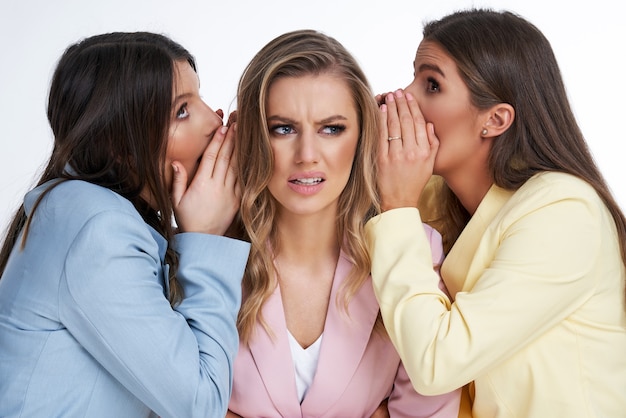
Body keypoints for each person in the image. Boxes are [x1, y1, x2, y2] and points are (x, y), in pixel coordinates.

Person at [366, 8, 626, 418]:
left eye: (431, 84)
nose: (405, 97)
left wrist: (397, 207)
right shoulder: (437, 200)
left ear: (495, 120)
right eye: (413, 76)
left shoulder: (565, 211)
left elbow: (437, 362)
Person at [0, 32, 250, 418]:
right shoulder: (96, 226)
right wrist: (207, 239)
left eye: (200, 97)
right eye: (182, 111)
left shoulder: (79, 208)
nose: (213, 119)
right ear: (119, 145)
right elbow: (199, 405)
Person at [225, 29, 461, 418]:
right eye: (282, 128)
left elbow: (429, 409)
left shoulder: (415, 251)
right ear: (252, 136)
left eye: (331, 129)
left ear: (363, 136)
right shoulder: (208, 255)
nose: (307, 155)